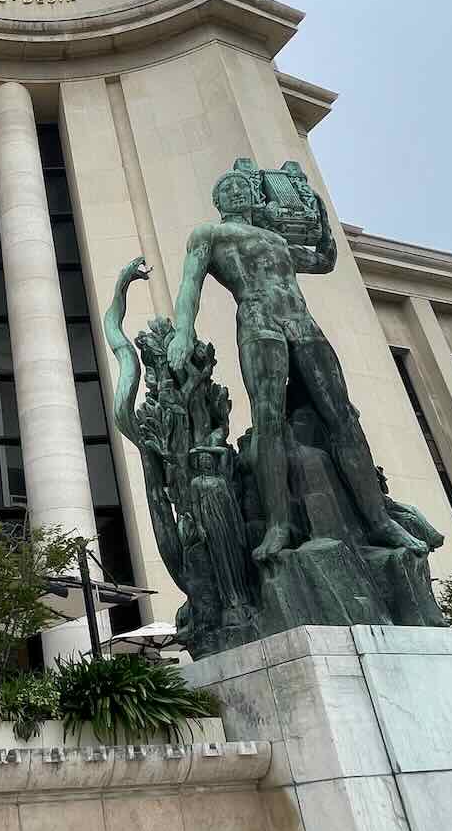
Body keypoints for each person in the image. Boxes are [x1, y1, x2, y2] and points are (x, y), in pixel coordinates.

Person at [168, 165, 428, 562]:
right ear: (218, 202)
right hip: (259, 323)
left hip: (303, 324)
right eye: (227, 189)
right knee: (268, 419)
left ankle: (378, 520)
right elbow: (190, 286)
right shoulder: (211, 235)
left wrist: (319, 212)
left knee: (342, 416)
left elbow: (324, 260)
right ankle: (278, 525)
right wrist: (183, 331)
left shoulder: (278, 240)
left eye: (242, 187)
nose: (236, 192)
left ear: (254, 195)